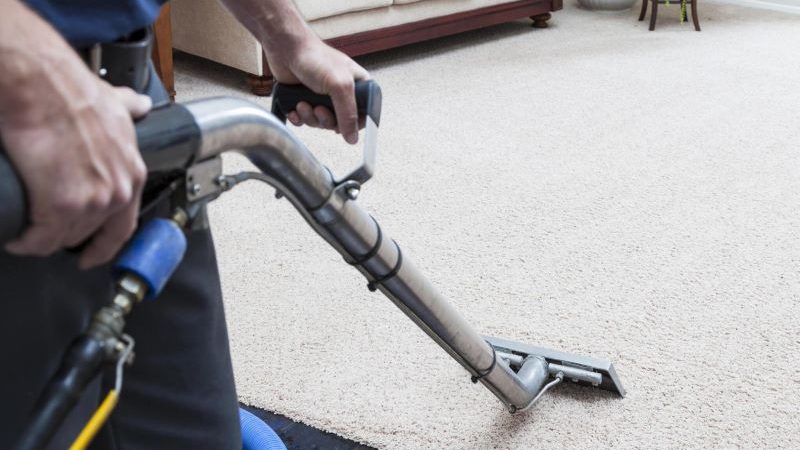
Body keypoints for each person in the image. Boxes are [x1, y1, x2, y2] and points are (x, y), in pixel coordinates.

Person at [0, 0, 369, 448]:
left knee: (198, 430)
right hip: (22, 127)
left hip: (130, 88)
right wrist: (22, 64)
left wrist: (288, 37)